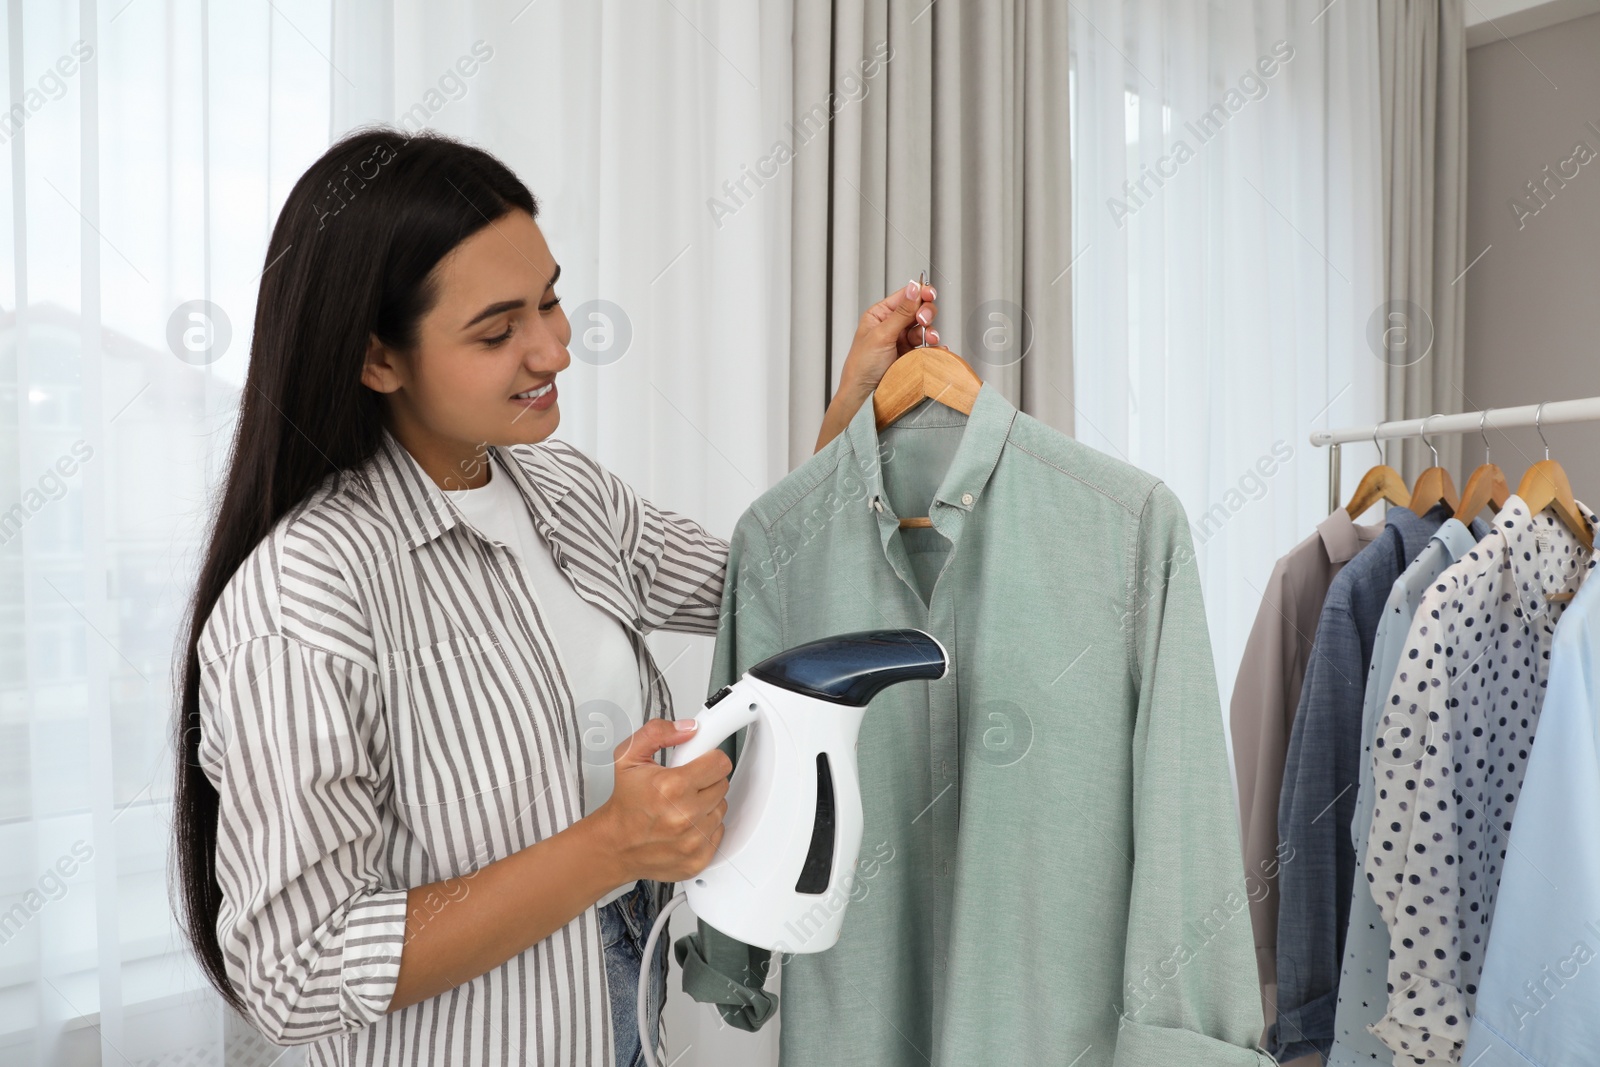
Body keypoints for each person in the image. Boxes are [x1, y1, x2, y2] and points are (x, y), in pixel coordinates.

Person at [171, 125, 940, 1067]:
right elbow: (297, 969)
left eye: (551, 301)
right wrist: (614, 843)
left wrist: (852, 403)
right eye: (498, 331)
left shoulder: (561, 489)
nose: (553, 351)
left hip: (619, 1024)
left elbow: (770, 584)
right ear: (378, 359)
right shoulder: (305, 602)